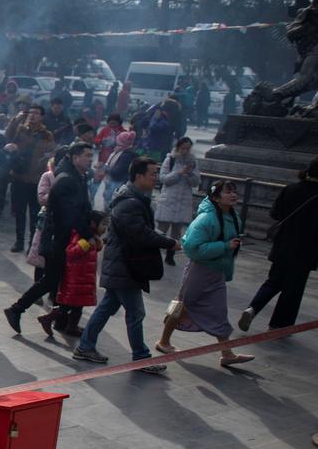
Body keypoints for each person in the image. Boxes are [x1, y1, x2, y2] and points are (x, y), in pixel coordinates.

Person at [72, 157, 178, 370]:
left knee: (106, 307)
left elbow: (143, 230)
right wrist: (169, 243)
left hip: (123, 264)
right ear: (139, 176)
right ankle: (141, 357)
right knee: (136, 313)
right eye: (152, 174)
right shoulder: (130, 202)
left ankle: (85, 346)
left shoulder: (133, 197)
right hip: (125, 265)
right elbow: (141, 233)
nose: (156, 178)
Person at [154, 180, 254, 366]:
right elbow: (191, 248)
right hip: (199, 271)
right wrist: (224, 246)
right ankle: (163, 341)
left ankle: (227, 354)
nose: (233, 195)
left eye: (234, 191)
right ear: (215, 197)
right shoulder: (206, 219)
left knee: (219, 311)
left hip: (217, 273)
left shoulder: (234, 217)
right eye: (228, 192)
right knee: (182, 305)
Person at [4, 142, 94, 335]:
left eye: (91, 156)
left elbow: (82, 208)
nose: (90, 159)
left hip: (65, 238)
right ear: (74, 157)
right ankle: (16, 309)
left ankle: (60, 322)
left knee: (61, 281)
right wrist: (88, 234)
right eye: (87, 155)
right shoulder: (66, 180)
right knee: (51, 281)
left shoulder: (79, 176)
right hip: (57, 239)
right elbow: (70, 215)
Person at [240, 157, 318, 332]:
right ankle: (279, 325)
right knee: (293, 289)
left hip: (283, 244)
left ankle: (252, 308)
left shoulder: (291, 189)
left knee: (273, 281)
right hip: (306, 250)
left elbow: (275, 214)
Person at [39, 211, 106, 337]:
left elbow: (93, 250)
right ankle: (48, 319)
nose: (105, 228)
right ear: (93, 223)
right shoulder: (81, 236)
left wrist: (97, 243)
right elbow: (70, 252)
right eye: (103, 224)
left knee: (77, 306)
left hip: (83, 277)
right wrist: (86, 244)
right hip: (76, 278)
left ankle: (71, 326)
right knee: (69, 305)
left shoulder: (92, 237)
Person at [4, 104, 55, 252]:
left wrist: (45, 158)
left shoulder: (47, 135)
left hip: (36, 179)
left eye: (36, 113)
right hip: (19, 176)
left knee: (34, 213)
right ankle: (19, 241)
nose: (32, 115)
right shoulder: (20, 129)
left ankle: (32, 244)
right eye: (30, 112)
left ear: (41, 116)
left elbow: (52, 152)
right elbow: (7, 135)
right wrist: (16, 119)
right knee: (19, 212)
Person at [156, 137, 200, 266]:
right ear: (178, 148)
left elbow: (196, 182)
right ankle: (154, 252)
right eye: (183, 148)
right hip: (168, 199)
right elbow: (163, 179)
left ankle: (170, 255)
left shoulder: (193, 162)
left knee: (176, 231)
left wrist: (189, 174)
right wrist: (178, 173)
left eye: (188, 149)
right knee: (162, 229)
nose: (185, 151)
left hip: (183, 200)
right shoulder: (170, 159)